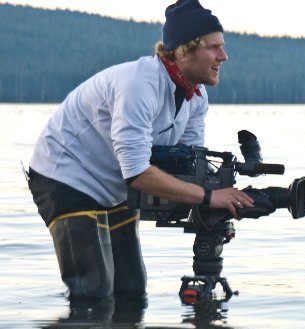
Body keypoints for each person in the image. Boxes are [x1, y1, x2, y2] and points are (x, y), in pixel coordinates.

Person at [27, 0, 254, 301]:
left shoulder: (196, 96)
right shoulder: (139, 84)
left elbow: (186, 168)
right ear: (184, 51)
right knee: (93, 292)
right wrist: (210, 197)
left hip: (114, 185)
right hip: (66, 177)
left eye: (222, 46)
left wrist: (223, 198)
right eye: (213, 47)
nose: (223, 56)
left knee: (132, 291)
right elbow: (136, 172)